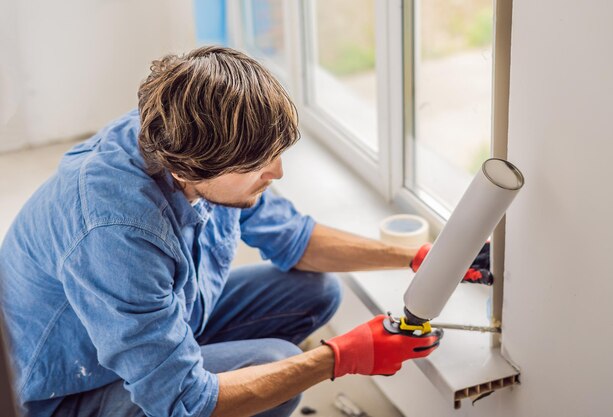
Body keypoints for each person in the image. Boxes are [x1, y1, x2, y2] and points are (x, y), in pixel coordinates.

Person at [0, 46, 489, 417]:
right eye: (258, 163)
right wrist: (338, 359)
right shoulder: (116, 233)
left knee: (314, 291)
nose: (276, 172)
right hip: (70, 390)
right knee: (279, 363)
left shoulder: (182, 129)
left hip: (150, 326)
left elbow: (293, 238)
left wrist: (416, 257)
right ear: (191, 168)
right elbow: (180, 400)